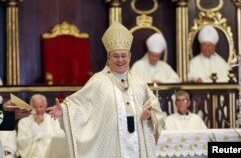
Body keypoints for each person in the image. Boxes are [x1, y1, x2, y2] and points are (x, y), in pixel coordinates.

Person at [47, 22, 164, 158]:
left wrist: (149, 116)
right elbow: (82, 105)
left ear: (130, 56)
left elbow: (154, 108)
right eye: (116, 56)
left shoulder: (139, 82)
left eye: (123, 55)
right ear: (108, 57)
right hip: (110, 148)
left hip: (137, 146)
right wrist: (64, 110)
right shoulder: (98, 81)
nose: (120, 60)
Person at [17, 94, 64, 158]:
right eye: (35, 107)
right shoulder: (23, 122)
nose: (38, 109)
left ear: (46, 106)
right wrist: (36, 124)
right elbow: (22, 143)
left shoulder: (53, 120)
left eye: (41, 106)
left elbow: (58, 140)